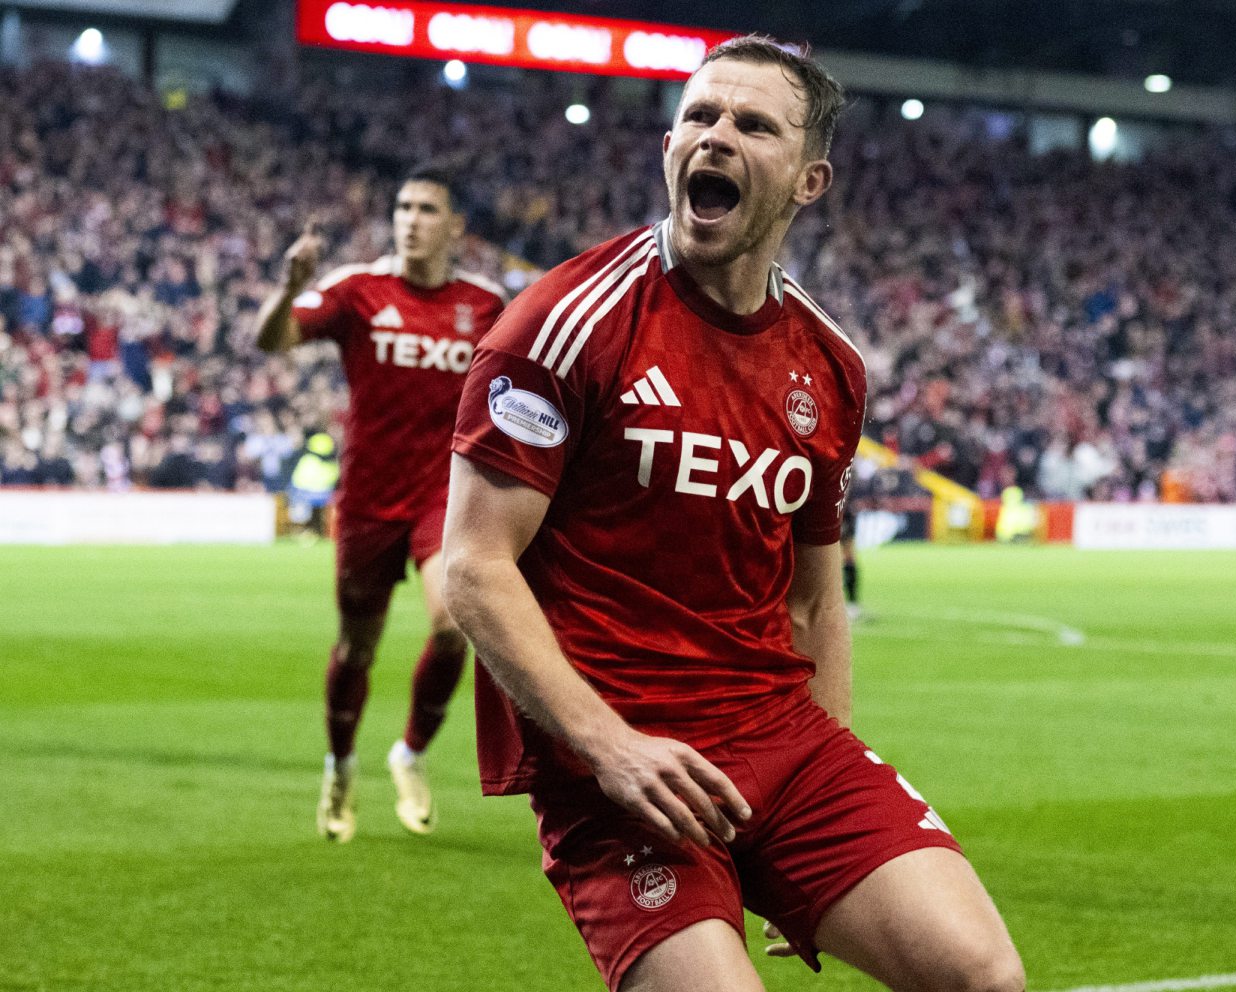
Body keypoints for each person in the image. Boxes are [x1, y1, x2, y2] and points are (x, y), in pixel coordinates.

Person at [443, 37, 1024, 992]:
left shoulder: (831, 365)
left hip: (782, 741)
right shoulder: (565, 323)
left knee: (981, 977)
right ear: (670, 145)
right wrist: (608, 746)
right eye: (700, 117)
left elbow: (813, 603)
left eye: (753, 125)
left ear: (808, 180)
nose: (716, 137)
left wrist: (825, 801)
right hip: (625, 760)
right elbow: (475, 567)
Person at [253, 164, 507, 842]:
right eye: (403, 207)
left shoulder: (486, 304)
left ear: (456, 226)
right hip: (367, 501)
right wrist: (289, 289)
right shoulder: (356, 290)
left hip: (442, 497)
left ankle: (411, 752)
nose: (410, 219)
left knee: (457, 626)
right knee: (356, 649)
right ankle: (339, 767)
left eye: (427, 208)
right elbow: (269, 341)